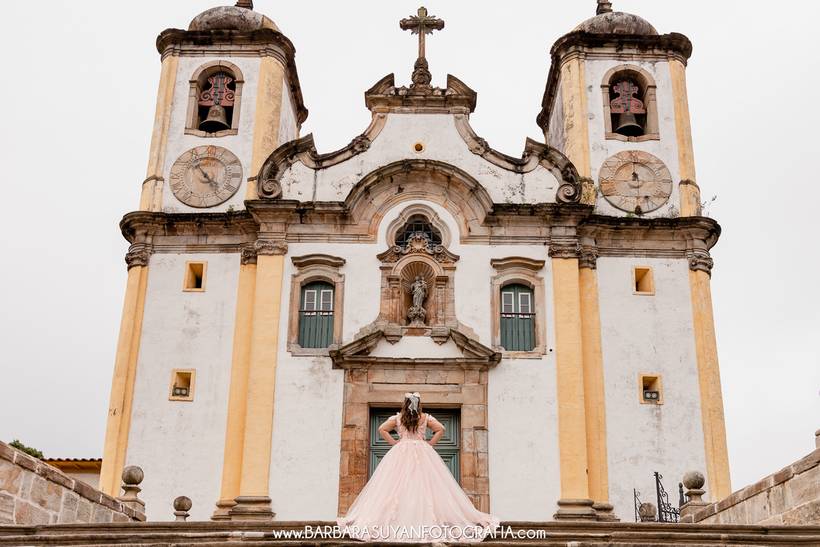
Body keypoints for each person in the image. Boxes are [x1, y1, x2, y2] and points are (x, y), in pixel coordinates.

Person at [337, 393, 499, 543]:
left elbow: (382, 429)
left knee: (396, 485)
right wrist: (429, 444)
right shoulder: (425, 417)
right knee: (425, 484)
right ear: (418, 404)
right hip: (422, 450)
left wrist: (395, 443)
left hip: (402, 450)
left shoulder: (398, 418)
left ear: (405, 404)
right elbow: (441, 429)